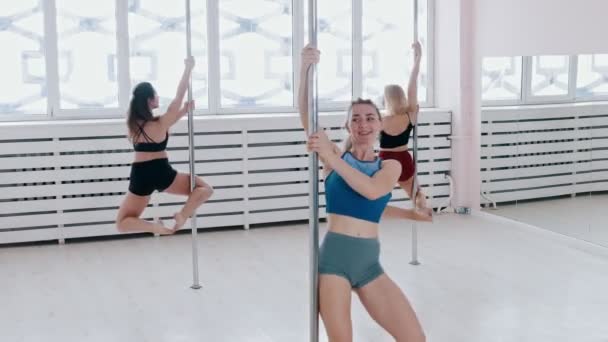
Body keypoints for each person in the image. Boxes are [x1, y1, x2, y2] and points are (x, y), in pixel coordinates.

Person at [299, 45, 427, 342]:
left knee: (414, 338)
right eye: (355, 118)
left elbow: (371, 195)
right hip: (333, 262)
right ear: (347, 125)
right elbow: (306, 113)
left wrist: (411, 214)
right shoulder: (334, 156)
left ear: (381, 124)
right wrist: (305, 70)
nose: (363, 123)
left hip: (369, 264)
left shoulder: (391, 166)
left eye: (370, 117)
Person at [115, 57, 213, 235]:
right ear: (150, 101)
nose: (158, 97)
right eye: (156, 94)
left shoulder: (133, 125)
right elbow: (179, 94)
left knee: (122, 223)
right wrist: (188, 68)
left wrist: (184, 110)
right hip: (161, 172)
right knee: (205, 189)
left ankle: (154, 227)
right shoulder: (160, 123)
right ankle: (182, 216)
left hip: (140, 174)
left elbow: (167, 122)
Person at [379, 41, 430, 213]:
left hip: (385, 161)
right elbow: (412, 87)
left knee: (372, 192)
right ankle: (424, 211)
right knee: (416, 194)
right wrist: (418, 59)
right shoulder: (410, 116)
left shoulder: (381, 120)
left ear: (387, 100)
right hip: (403, 159)